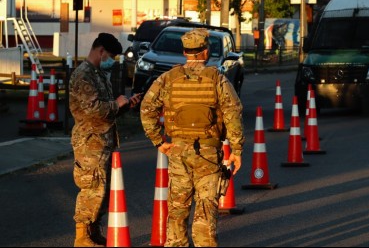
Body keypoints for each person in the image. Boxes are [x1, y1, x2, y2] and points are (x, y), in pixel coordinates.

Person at [140, 28, 245, 247]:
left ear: (185, 51)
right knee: (205, 212)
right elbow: (233, 112)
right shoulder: (217, 79)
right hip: (208, 153)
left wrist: (158, 140)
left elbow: (147, 107)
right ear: (205, 51)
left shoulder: (168, 78)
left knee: (177, 210)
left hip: (178, 152)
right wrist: (236, 150)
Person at [69, 33, 142, 247]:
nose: (112, 61)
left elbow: (107, 111)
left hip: (102, 142)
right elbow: (94, 110)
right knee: (91, 188)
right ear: (100, 51)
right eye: (110, 56)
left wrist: (126, 105)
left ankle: (92, 231)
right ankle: (82, 236)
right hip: (89, 143)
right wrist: (117, 104)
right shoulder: (84, 75)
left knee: (102, 189)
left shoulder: (98, 74)